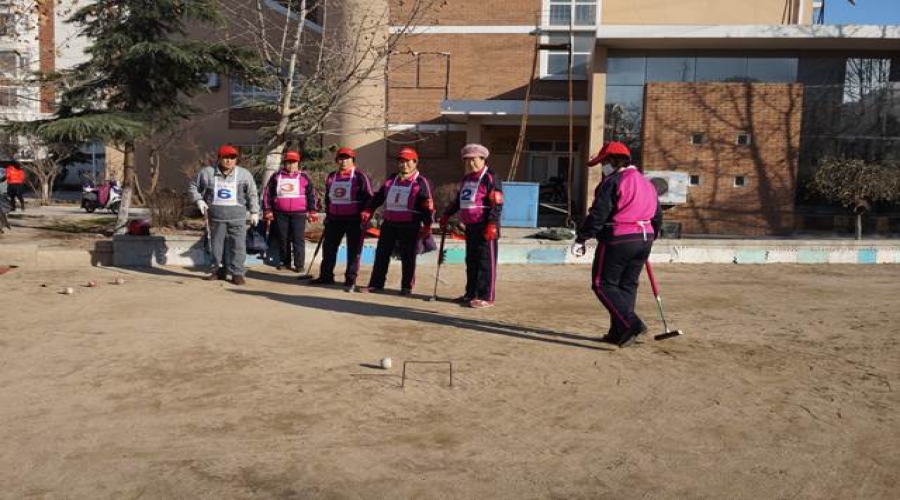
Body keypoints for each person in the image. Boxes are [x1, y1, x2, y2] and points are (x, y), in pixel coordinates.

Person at [570, 141, 662, 348]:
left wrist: (582, 238)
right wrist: (650, 237)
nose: (603, 167)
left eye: (604, 162)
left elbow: (599, 213)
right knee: (626, 285)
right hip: (644, 237)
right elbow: (657, 215)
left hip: (619, 237)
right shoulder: (647, 183)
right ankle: (619, 331)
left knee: (602, 284)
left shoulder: (613, 182)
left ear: (613, 161)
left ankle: (631, 323)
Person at [358, 147, 434, 295]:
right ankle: (376, 284)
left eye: (407, 161)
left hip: (410, 224)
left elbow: (427, 204)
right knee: (381, 254)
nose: (404, 164)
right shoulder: (392, 179)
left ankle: (406, 286)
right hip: (389, 223)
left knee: (408, 257)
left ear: (415, 162)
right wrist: (369, 209)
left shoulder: (421, 181)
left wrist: (428, 224)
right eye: (401, 161)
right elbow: (379, 196)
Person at [439, 143, 504, 308]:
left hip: (485, 226)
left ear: (483, 159)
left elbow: (497, 202)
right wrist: (447, 214)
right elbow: (460, 199)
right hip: (470, 226)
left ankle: (486, 296)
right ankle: (471, 294)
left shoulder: (490, 177)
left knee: (485, 262)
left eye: (474, 159)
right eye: (467, 160)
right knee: (472, 261)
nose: (470, 163)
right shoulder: (467, 179)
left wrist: (492, 223)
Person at [189, 144, 260, 285]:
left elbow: (252, 193)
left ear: (236, 159)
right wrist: (199, 200)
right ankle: (217, 271)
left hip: (238, 217)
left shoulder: (244, 174)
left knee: (238, 247)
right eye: (225, 158)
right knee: (216, 246)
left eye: (232, 158)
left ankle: (237, 273)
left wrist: (254, 211)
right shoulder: (207, 173)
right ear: (219, 158)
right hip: (216, 218)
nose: (229, 161)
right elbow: (193, 186)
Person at [310, 147, 373, 289]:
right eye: (341, 158)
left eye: (347, 158)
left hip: (354, 219)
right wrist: (327, 214)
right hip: (334, 219)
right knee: (329, 248)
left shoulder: (360, 176)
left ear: (352, 160)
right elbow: (328, 197)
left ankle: (350, 279)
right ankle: (326, 276)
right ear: (337, 160)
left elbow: (369, 197)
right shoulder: (332, 176)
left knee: (353, 250)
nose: (344, 161)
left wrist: (366, 213)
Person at [262, 150, 318, 272]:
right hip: (280, 213)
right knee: (283, 238)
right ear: (284, 163)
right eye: (288, 162)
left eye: (293, 162)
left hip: (299, 213)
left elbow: (311, 194)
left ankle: (299, 264)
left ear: (298, 163)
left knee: (298, 239)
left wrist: (312, 210)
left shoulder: (304, 176)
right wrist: (267, 210)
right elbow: (267, 194)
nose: (291, 165)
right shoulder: (276, 176)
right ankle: (284, 261)